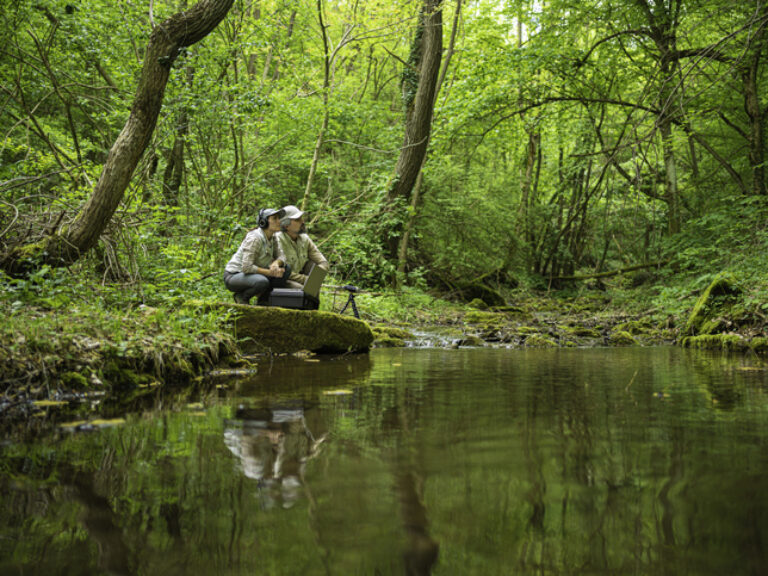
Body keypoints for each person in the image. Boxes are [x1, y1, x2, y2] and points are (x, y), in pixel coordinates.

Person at [223, 207, 291, 304]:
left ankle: (264, 301)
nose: (278, 221)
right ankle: (242, 297)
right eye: (274, 218)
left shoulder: (273, 237)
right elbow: (246, 267)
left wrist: (276, 263)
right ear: (264, 222)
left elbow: (283, 257)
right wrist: (271, 272)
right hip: (234, 276)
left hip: (253, 274)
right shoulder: (255, 238)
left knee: (286, 269)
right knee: (262, 281)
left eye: (278, 218)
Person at [276, 205, 329, 290]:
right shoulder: (277, 240)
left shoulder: (305, 238)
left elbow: (323, 262)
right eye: (298, 220)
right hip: (282, 279)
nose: (302, 222)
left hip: (299, 277)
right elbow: (280, 271)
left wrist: (315, 278)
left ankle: (313, 302)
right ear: (286, 225)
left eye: (301, 218)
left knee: (313, 266)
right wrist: (305, 279)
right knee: (300, 289)